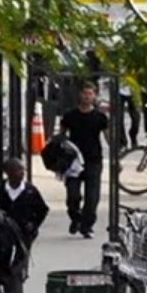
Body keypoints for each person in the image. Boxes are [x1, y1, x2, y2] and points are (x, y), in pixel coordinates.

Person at [58, 82, 110, 238]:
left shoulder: (100, 117)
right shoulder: (70, 115)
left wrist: (116, 158)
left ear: (95, 96)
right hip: (73, 161)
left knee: (92, 196)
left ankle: (87, 226)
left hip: (93, 160)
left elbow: (108, 137)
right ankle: (75, 217)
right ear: (80, 94)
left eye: (90, 94)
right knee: (72, 195)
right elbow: (61, 135)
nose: (87, 97)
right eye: (85, 93)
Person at [0, 157, 50, 250]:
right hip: (4, 232)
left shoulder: (30, 190)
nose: (22, 173)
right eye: (18, 170)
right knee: (3, 258)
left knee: (21, 259)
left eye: (23, 169)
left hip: (24, 232)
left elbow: (43, 209)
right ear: (8, 173)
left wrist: (34, 225)